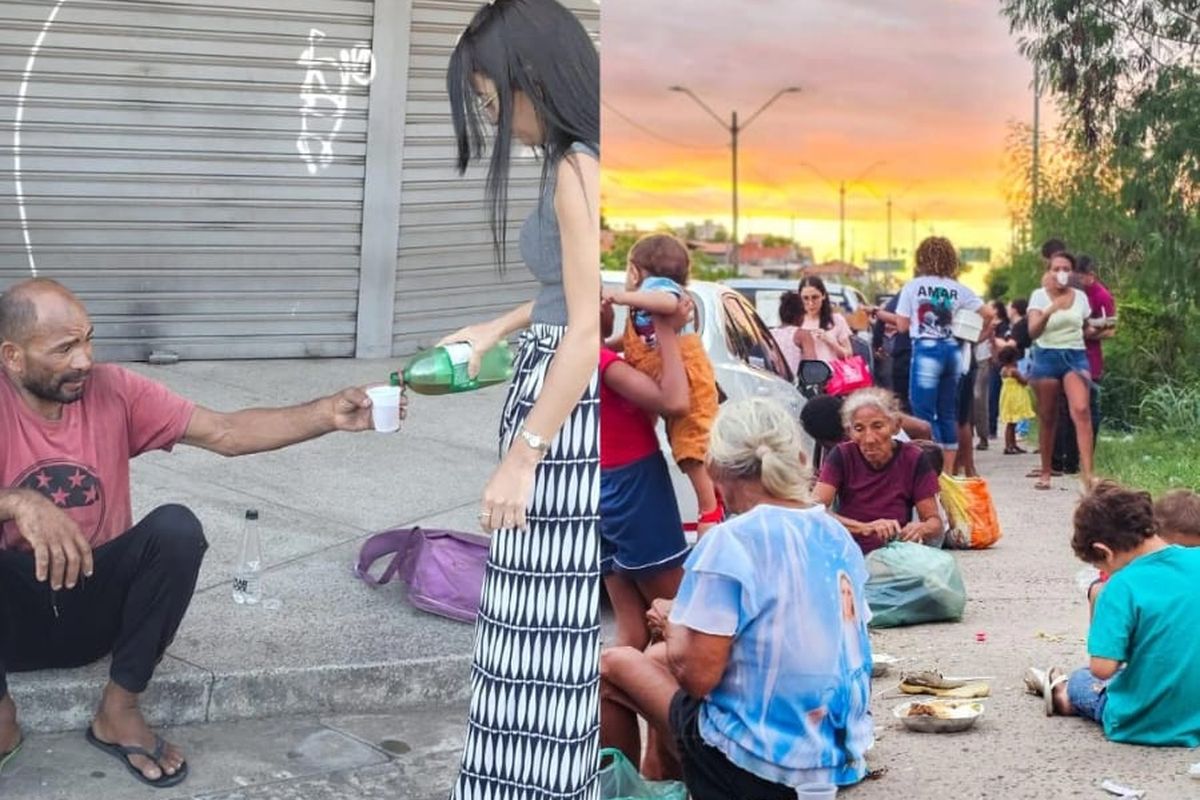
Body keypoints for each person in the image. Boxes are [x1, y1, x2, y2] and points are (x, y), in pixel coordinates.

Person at [0, 279, 384, 787]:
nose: (85, 360)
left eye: (89, 340)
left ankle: (119, 711)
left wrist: (324, 414)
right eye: (65, 348)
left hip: (95, 607)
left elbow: (226, 432)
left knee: (176, 528)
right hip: (11, 622)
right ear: (13, 356)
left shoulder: (114, 390)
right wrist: (17, 501)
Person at [442, 2, 600, 796]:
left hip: (562, 423)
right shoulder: (568, 163)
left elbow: (586, 332)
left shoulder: (577, 168)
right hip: (549, 399)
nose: (494, 115)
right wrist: (495, 324)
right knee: (525, 632)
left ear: (537, 77)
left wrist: (522, 458)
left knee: (538, 640)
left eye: (495, 98)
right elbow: (565, 297)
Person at [599, 398, 875, 797]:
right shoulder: (833, 534)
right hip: (832, 758)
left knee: (613, 664)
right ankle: (663, 780)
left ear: (715, 469)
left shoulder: (730, 541)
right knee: (656, 661)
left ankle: (633, 791)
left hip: (759, 768)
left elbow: (697, 678)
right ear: (797, 458)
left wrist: (673, 623)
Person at [1024, 482, 1200, 747]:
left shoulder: (1119, 587)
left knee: (1082, 679)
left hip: (1140, 723)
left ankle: (1064, 696)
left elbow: (1103, 668)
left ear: (1104, 552)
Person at [606, 233, 722, 534]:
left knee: (691, 449)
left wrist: (622, 296)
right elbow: (633, 340)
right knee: (682, 445)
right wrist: (608, 345)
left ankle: (710, 509)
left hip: (690, 382)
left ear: (634, 271)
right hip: (667, 379)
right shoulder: (641, 310)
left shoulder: (656, 289)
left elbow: (666, 303)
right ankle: (714, 499)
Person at [600, 295, 691, 650]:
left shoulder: (570, 359)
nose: (611, 308)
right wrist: (667, 331)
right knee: (681, 620)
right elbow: (675, 403)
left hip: (599, 486)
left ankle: (602, 702)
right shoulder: (605, 364)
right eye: (603, 301)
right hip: (633, 485)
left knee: (633, 632)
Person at [873, 236, 992, 476]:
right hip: (953, 352)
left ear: (921, 259)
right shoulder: (959, 289)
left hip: (926, 351)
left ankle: (928, 470)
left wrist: (890, 318)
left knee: (923, 413)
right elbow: (988, 314)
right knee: (948, 412)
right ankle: (948, 470)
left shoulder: (913, 287)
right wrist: (974, 336)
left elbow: (904, 326)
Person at [811, 388, 944, 555]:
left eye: (878, 426)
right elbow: (814, 510)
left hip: (895, 551)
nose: (869, 439)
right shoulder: (842, 456)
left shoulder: (913, 458)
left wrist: (921, 528)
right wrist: (864, 528)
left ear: (895, 427)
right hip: (849, 552)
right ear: (849, 432)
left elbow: (934, 521)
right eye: (859, 429)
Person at [1027, 251, 1095, 490]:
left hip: (1075, 356)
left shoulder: (1080, 297)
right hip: (1046, 356)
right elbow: (1033, 331)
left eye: (1066, 268)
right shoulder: (1038, 296)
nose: (1061, 273)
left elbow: (1085, 326)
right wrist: (1051, 308)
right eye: (1056, 269)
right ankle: (1046, 471)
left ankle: (1088, 473)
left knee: (1081, 409)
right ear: (1048, 272)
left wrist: (1099, 329)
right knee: (1048, 416)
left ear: (1073, 272)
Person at [792, 277, 853, 369]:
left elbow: (848, 354)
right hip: (805, 378)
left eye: (815, 297)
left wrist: (832, 342)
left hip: (833, 377)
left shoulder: (836, 320)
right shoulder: (795, 322)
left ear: (823, 295)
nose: (811, 303)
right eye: (805, 298)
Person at [997, 346, 1035, 455]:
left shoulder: (1003, 370)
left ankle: (1012, 444)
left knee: (1012, 423)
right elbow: (1024, 381)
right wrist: (1029, 373)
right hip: (1014, 398)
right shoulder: (1014, 371)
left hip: (1007, 397)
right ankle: (1009, 446)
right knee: (1011, 424)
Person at [770, 290, 804, 376]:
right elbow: (811, 366)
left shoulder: (769, 334)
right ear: (800, 315)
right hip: (793, 386)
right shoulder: (802, 335)